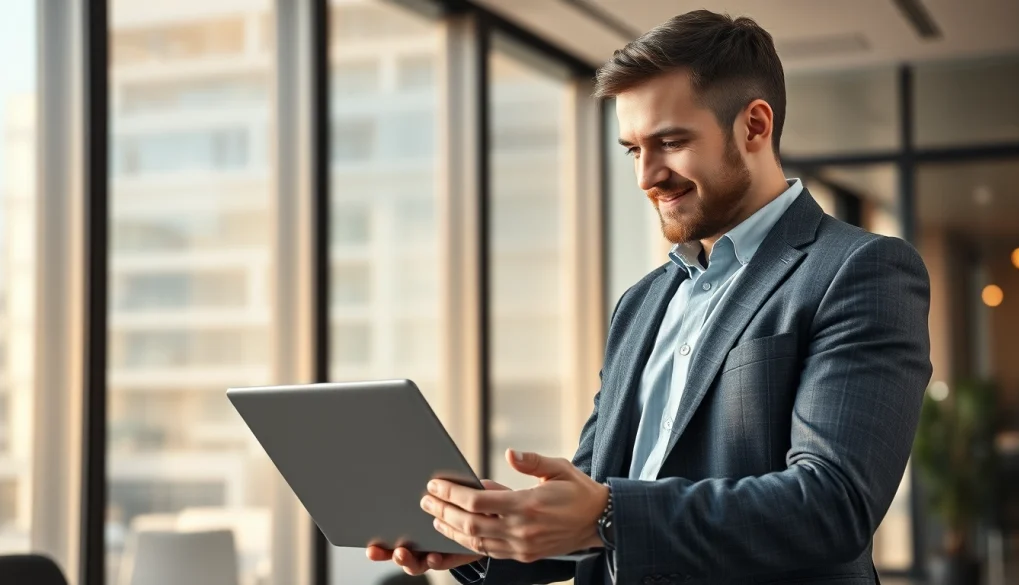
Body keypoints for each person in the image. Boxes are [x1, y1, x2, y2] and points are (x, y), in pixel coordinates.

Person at [368, 9, 931, 585]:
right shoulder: (642, 304)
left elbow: (832, 504)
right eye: (634, 149)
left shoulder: (860, 270)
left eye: (670, 142)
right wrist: (498, 532)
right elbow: (593, 505)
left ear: (755, 127)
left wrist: (606, 514)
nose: (646, 176)